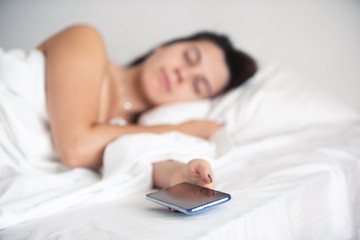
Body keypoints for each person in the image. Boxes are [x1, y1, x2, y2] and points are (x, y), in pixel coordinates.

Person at [36, 24, 257, 189]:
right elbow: (75, 148)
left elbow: (153, 164)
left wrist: (184, 178)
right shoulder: (85, 40)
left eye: (198, 85)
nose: (183, 73)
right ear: (162, 47)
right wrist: (183, 129)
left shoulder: (133, 129)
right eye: (188, 57)